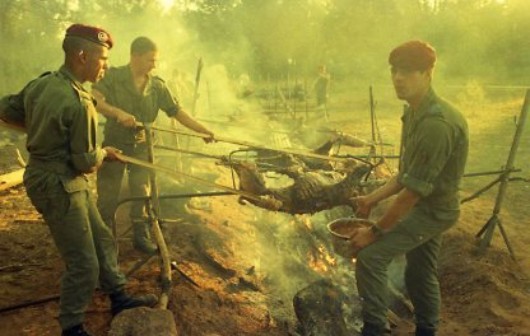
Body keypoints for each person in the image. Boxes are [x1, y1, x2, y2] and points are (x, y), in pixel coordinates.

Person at [0, 24, 157, 336]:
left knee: (102, 238)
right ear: (81, 56)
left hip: (58, 178)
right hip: (60, 184)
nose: (107, 66)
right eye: (102, 59)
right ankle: (72, 327)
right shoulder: (81, 102)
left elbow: (6, 109)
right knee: (84, 263)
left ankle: (118, 295)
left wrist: (42, 130)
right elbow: (85, 162)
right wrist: (106, 153)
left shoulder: (43, 83)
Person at [350, 40, 469, 336]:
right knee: (420, 271)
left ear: (428, 73)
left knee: (370, 257)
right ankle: (427, 330)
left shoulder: (437, 124)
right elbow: (406, 174)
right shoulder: (414, 112)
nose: (398, 78)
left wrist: (374, 231)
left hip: (434, 210)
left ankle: (374, 330)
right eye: (394, 71)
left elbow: (411, 193)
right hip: (423, 204)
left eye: (408, 71)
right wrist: (370, 198)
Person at [91, 36, 215, 255]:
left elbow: (177, 112)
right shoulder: (112, 77)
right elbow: (95, 101)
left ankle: (141, 235)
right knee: (108, 195)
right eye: (150, 60)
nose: (154, 65)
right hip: (114, 145)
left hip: (144, 146)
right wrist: (117, 112)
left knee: (142, 191)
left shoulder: (157, 86)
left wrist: (202, 130)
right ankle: (105, 241)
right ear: (135, 56)